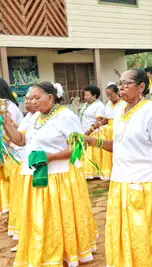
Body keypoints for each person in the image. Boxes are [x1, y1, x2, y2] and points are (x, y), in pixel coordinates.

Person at [85, 69, 152, 267]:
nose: (121, 87)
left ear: (141, 87)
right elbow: (118, 145)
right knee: (128, 232)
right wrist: (93, 141)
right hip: (121, 182)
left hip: (146, 183)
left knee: (149, 234)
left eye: (127, 83)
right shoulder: (120, 111)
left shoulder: (151, 111)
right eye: (120, 83)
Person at [3, 82, 97, 266]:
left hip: (59, 177)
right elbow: (20, 140)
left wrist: (52, 157)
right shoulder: (33, 117)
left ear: (51, 97)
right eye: (30, 99)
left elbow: (78, 147)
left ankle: (64, 252)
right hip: (38, 175)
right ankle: (44, 249)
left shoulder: (65, 116)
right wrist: (5, 121)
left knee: (58, 218)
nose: (33, 102)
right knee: (40, 218)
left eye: (37, 98)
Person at [7, 89, 37, 245]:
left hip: (31, 165)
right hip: (23, 163)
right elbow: (20, 136)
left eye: (32, 98)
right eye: (25, 99)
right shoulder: (29, 118)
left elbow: (23, 140)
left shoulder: (38, 118)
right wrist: (7, 123)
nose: (27, 102)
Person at [87, 82, 124, 180]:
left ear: (117, 93)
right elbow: (106, 119)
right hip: (108, 128)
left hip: (118, 127)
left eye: (111, 95)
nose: (109, 97)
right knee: (97, 137)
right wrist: (99, 125)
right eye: (107, 95)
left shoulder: (123, 104)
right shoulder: (108, 104)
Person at [0, 78, 23, 217]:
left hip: (11, 149)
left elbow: (10, 129)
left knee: (9, 178)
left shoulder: (10, 107)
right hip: (4, 149)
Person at [80, 85, 105, 179]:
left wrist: (88, 131)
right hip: (85, 131)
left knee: (94, 154)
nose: (85, 97)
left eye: (87, 95)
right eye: (84, 95)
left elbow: (99, 121)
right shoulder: (87, 105)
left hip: (93, 133)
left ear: (94, 96)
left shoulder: (99, 106)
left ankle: (96, 172)